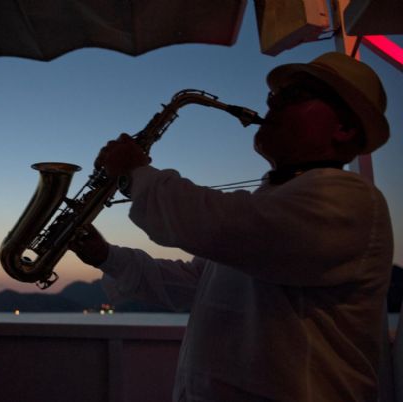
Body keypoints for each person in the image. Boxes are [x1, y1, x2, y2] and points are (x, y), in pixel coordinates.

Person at [70, 52, 393, 401]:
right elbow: (194, 286)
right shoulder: (273, 207)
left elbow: (221, 224)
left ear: (344, 128)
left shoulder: (351, 200)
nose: (273, 104)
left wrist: (135, 172)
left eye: (293, 95)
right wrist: (105, 256)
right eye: (274, 97)